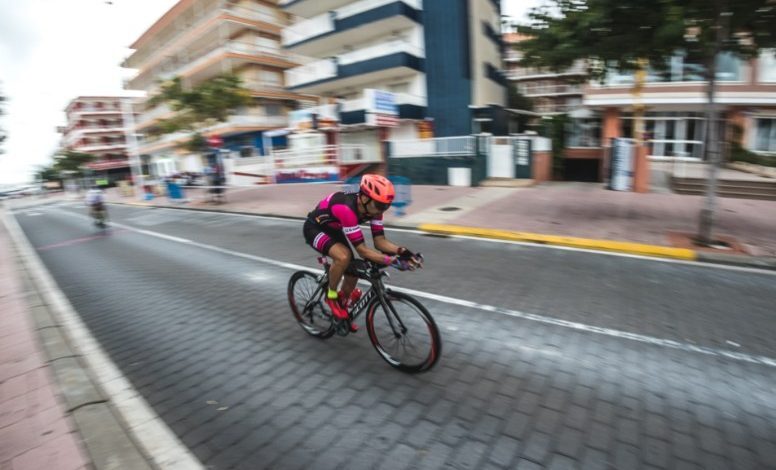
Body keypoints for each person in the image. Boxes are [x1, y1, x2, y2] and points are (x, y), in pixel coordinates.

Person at [303, 174, 422, 331]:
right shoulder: (346, 208)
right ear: (365, 198)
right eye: (380, 205)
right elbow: (363, 251)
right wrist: (392, 261)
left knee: (353, 272)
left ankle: (341, 309)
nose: (382, 210)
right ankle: (331, 296)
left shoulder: (374, 209)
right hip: (314, 228)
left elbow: (380, 242)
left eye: (386, 206)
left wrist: (403, 251)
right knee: (343, 257)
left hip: (335, 229)